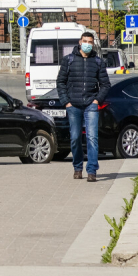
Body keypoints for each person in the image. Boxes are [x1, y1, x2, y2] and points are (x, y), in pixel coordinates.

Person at [55, 31, 110, 182]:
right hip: (73, 105)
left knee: (92, 137)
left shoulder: (98, 62)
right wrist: (66, 101)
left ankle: (92, 170)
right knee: (75, 137)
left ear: (93, 44)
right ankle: (77, 167)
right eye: (85, 41)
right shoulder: (69, 60)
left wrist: (97, 100)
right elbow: (60, 82)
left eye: (90, 42)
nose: (87, 44)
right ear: (80, 42)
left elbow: (105, 84)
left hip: (90, 104)